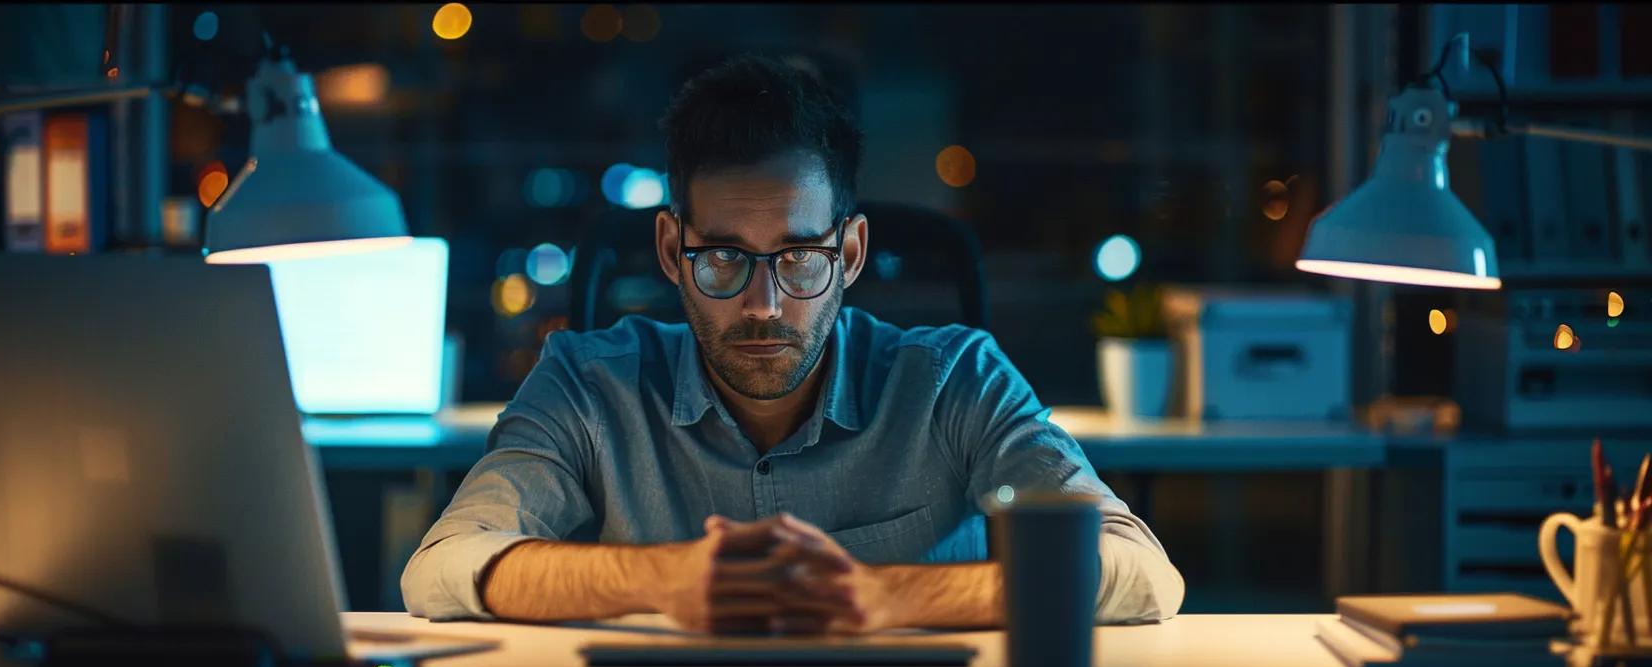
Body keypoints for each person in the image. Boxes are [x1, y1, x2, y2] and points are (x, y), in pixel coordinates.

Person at [401, 53, 1183, 634]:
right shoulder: (587, 382)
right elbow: (439, 567)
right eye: (724, 259)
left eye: (800, 258)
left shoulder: (954, 381)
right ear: (673, 251)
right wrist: (659, 578)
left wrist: (889, 593)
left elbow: (1146, 572)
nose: (763, 306)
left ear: (847, 254)